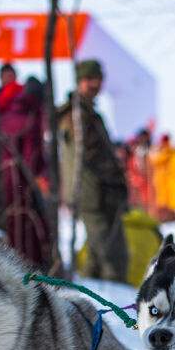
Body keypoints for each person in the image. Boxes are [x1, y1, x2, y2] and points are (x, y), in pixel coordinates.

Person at [57, 59, 128, 282]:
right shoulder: (76, 115)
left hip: (100, 194)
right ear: (79, 81)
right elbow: (90, 155)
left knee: (97, 256)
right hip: (92, 194)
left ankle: (93, 296)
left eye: (98, 79)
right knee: (112, 255)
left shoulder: (88, 113)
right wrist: (116, 178)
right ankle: (116, 301)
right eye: (90, 79)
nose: (96, 84)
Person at [0, 75, 52, 268]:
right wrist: (42, 172)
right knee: (28, 225)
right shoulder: (32, 115)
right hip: (22, 181)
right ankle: (30, 267)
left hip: (4, 178)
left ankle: (12, 264)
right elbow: (33, 157)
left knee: (12, 223)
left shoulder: (8, 111)